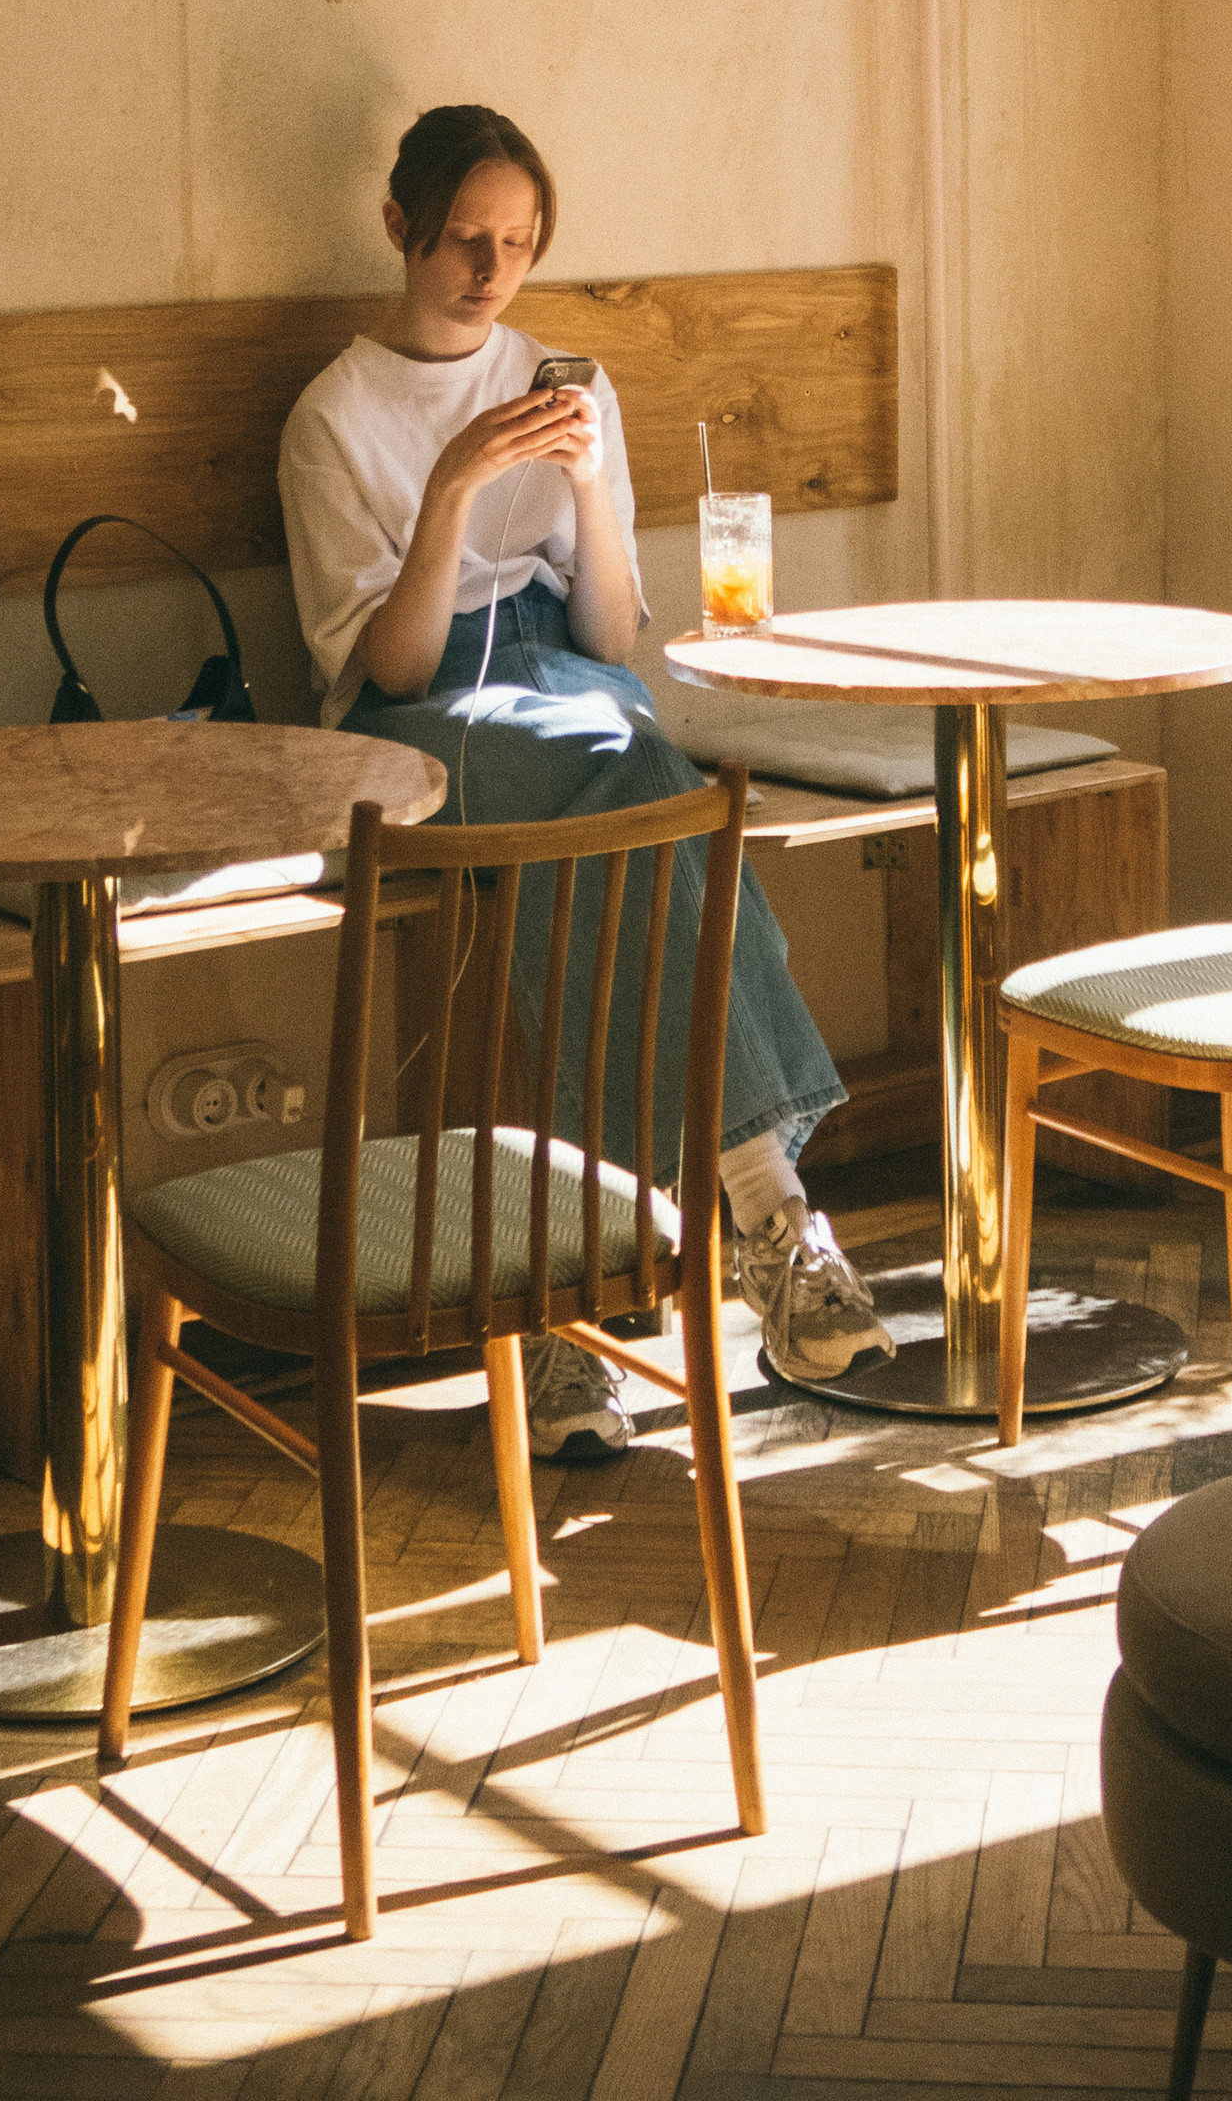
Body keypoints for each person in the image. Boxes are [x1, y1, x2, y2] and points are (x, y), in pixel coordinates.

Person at [278, 101, 893, 1455]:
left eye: (519, 244)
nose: (492, 274)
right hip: (423, 710)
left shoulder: (568, 380)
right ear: (399, 229)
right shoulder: (334, 417)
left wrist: (595, 482)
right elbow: (388, 671)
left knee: (632, 802)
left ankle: (570, 1319)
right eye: (462, 243)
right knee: (643, 789)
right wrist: (450, 493)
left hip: (573, 686)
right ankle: (770, 1220)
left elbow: (616, 637)